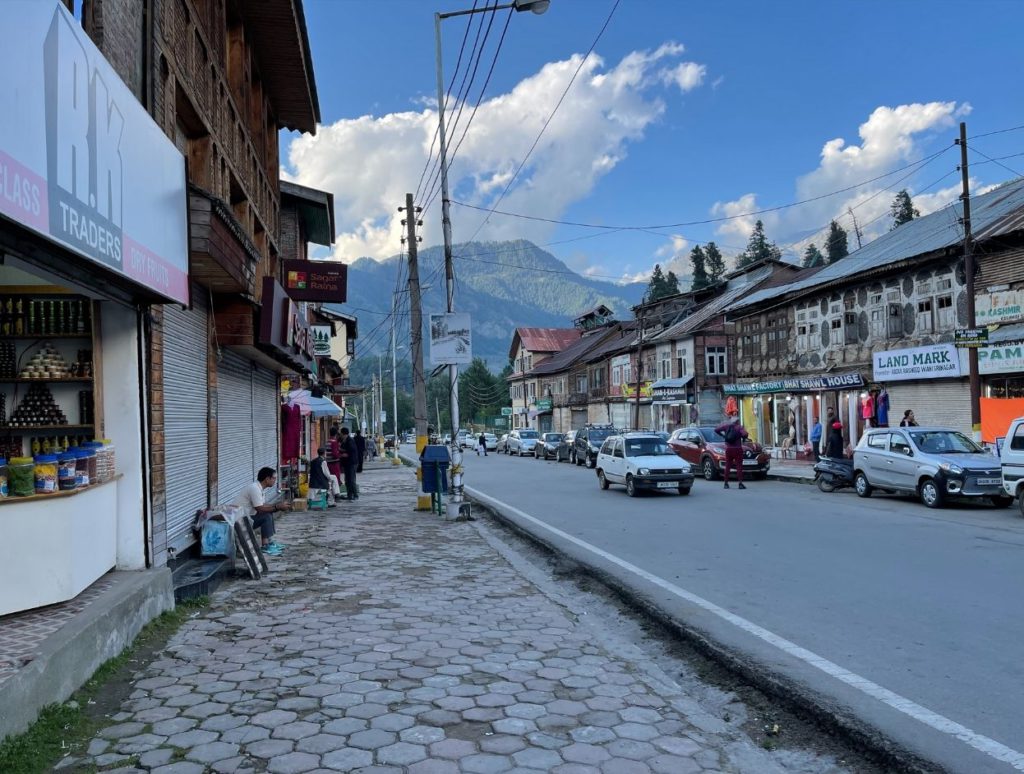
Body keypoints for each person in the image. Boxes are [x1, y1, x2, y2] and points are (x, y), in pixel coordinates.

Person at [234, 467, 287, 554]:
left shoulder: (259, 488)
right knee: (266, 516)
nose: (275, 481)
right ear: (267, 479)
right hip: (240, 520)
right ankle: (265, 545)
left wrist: (277, 506)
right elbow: (260, 509)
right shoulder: (254, 488)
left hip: (247, 518)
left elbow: (263, 505)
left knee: (269, 513)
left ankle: (269, 542)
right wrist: (277, 507)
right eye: (274, 478)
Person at [714, 416, 749, 490]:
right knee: (739, 466)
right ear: (737, 422)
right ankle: (740, 483)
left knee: (728, 466)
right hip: (738, 449)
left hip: (728, 449)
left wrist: (723, 436)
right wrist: (742, 436)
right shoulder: (739, 427)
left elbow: (716, 430)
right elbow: (745, 434)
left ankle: (726, 483)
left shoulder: (726, 427)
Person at [338, 427, 359, 500]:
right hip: (347, 463)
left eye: (341, 434)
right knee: (347, 479)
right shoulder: (345, 440)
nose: (340, 435)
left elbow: (351, 451)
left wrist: (344, 454)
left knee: (351, 479)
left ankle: (354, 495)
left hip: (351, 463)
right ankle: (350, 495)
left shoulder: (350, 440)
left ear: (344, 434)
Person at [327, 427, 343, 499]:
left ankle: (332, 494)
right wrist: (340, 454)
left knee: (330, 478)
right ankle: (336, 494)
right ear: (336, 434)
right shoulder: (334, 442)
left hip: (328, 462)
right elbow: (335, 454)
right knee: (336, 478)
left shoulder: (328, 441)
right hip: (334, 463)